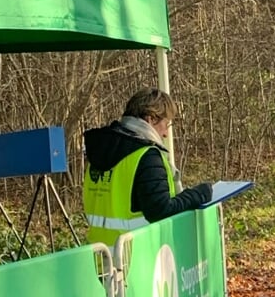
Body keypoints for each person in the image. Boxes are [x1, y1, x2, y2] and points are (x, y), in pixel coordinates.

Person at [83, 88, 212, 246]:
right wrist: (198, 195)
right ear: (151, 119)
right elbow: (161, 210)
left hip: (98, 256)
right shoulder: (146, 156)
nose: (165, 133)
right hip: (139, 256)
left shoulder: (100, 150)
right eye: (166, 124)